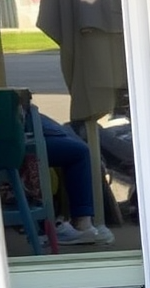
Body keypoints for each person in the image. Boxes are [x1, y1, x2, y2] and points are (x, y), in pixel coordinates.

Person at [17, 90, 114, 245]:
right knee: (78, 151)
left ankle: (77, 223)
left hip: (17, 131)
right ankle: (81, 222)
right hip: (15, 136)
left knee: (72, 141)